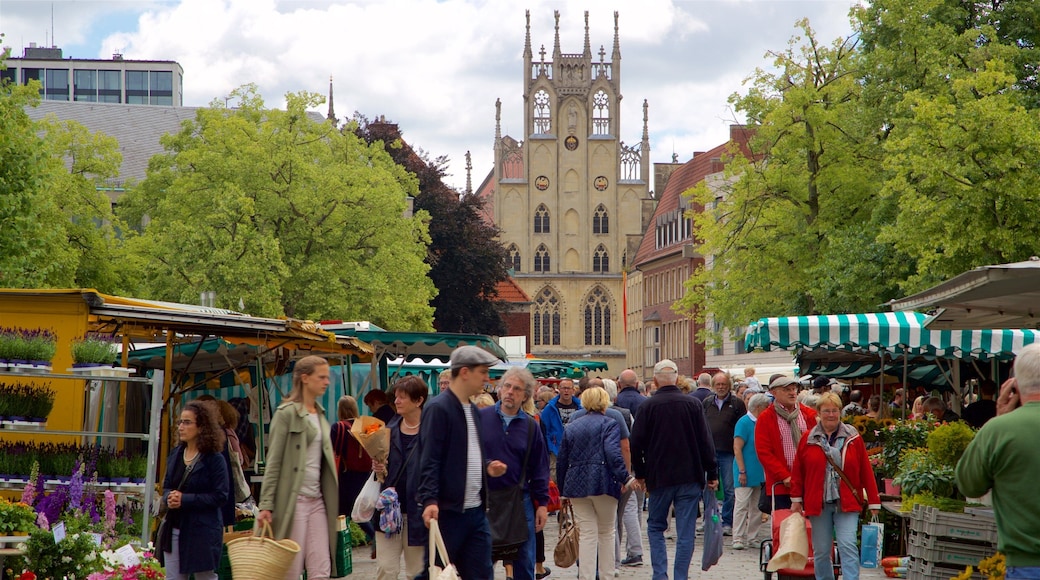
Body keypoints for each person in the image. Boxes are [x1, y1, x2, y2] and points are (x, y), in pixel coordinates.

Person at [417, 345, 504, 580]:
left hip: (475, 512)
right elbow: (430, 458)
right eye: (482, 372)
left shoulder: (473, 410)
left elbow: (467, 452)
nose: (487, 378)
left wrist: (486, 466)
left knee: (481, 574)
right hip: (448, 512)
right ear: (464, 372)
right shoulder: (439, 408)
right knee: (437, 573)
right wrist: (430, 499)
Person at [956, 343, 1040, 577]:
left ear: (1014, 384)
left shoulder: (998, 430)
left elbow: (969, 484)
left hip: (1025, 564)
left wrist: (999, 418)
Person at [630, 359, 718, 580]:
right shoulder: (692, 405)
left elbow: (636, 443)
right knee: (686, 531)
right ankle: (681, 575)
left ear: (656, 380)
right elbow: (705, 442)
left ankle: (660, 574)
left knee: (656, 526)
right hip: (689, 475)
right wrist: (712, 472)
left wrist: (640, 474)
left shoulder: (647, 406)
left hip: (659, 476)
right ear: (677, 379)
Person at [258, 356, 340, 580]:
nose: (327, 382)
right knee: (291, 569)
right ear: (305, 378)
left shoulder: (320, 414)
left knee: (321, 567)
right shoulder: (286, 413)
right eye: (321, 377)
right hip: (294, 500)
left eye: (327, 377)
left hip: (318, 500)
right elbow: (273, 461)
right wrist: (266, 504)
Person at [790, 392, 881, 580]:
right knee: (822, 551)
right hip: (819, 503)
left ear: (840, 412)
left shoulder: (853, 437)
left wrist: (873, 501)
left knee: (847, 545)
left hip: (847, 501)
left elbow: (865, 470)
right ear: (819, 413)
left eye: (834, 410)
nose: (830, 414)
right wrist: (796, 499)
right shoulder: (809, 438)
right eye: (826, 411)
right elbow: (798, 471)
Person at [557, 387, 635, 580]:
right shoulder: (610, 423)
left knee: (587, 533)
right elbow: (613, 453)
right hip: (603, 483)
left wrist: (562, 489)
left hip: (576, 485)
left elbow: (562, 459)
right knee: (607, 531)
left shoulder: (572, 424)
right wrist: (626, 477)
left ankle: (586, 576)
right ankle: (607, 575)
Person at [479, 367, 550, 580]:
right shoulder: (480, 418)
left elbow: (540, 468)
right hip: (484, 500)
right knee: (481, 564)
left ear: (525, 395)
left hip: (520, 500)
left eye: (517, 389)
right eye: (507, 386)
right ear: (499, 390)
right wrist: (487, 465)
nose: (510, 392)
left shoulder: (530, 426)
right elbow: (463, 457)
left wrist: (543, 505)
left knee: (524, 563)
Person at [160, 400, 229, 580]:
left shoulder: (214, 459)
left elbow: (221, 496)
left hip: (202, 531)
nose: (181, 427)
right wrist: (169, 497)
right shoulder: (176, 454)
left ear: (201, 427)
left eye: (187, 422)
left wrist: (185, 499)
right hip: (175, 528)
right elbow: (166, 486)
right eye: (180, 422)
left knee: (204, 577)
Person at [371, 376, 428, 580]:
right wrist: (378, 466)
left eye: (402, 397)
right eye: (396, 397)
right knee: (386, 570)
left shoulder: (432, 433)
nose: (396, 401)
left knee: (416, 573)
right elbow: (382, 472)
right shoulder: (388, 430)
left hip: (419, 514)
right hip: (388, 511)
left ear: (419, 400)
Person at [756, 375, 817, 512]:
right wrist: (784, 475)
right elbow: (764, 452)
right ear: (774, 392)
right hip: (781, 485)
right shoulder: (766, 418)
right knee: (784, 527)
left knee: (809, 526)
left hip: (807, 482)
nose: (792, 392)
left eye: (794, 389)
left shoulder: (809, 414)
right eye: (786, 390)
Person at [329, 395, 375, 552]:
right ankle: (371, 536)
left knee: (342, 511)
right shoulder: (366, 426)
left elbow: (331, 450)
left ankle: (341, 547)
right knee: (357, 509)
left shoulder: (338, 427)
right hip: (365, 473)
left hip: (345, 474)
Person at [703, 371, 746, 536]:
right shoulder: (706, 402)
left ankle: (727, 521)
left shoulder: (737, 404)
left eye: (724, 385)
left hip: (728, 452)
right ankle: (709, 519)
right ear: (713, 386)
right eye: (718, 385)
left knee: (729, 488)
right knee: (708, 487)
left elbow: (740, 427)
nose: (721, 387)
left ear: (729, 386)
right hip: (709, 452)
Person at [732, 393, 770, 550]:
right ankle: (738, 537)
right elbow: (737, 447)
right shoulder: (744, 422)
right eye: (766, 407)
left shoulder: (764, 423)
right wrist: (742, 470)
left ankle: (752, 536)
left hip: (759, 471)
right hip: (745, 470)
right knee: (741, 505)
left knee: (757, 506)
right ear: (759, 408)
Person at [541, 378, 582, 481]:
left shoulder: (580, 408)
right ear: (559, 389)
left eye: (569, 388)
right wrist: (550, 447)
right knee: (555, 480)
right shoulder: (550, 408)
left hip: (576, 450)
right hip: (555, 451)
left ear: (573, 390)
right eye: (564, 388)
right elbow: (544, 430)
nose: (566, 391)